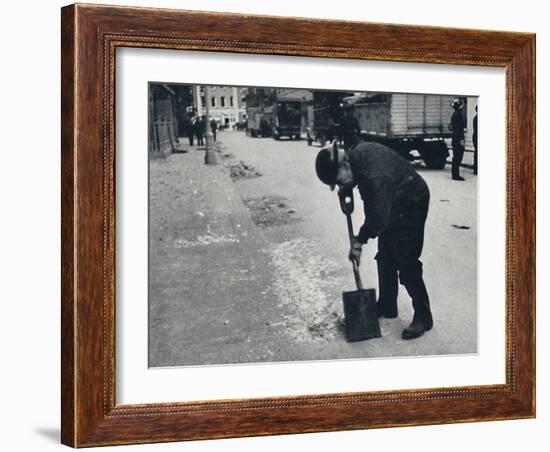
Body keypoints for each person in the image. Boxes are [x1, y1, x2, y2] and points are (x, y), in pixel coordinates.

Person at [315, 140, 433, 339]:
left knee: (406, 260)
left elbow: (377, 219)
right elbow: (375, 206)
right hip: (393, 198)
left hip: (412, 200)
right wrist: (346, 189)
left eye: (339, 181)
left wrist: (359, 241)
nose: (340, 186)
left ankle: (424, 315)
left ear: (344, 165)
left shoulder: (374, 177)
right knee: (385, 256)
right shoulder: (356, 158)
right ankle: (387, 305)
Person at [450, 99, 465, 181]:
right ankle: (456, 175)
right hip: (458, 139)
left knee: (456, 157)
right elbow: (460, 129)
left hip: (455, 138)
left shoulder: (454, 114)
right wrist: (461, 140)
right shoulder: (458, 115)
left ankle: (455, 174)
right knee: (458, 157)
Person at [472, 106, 478, 175]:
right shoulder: (477, 118)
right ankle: (476, 169)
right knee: (477, 155)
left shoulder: (475, 118)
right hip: (477, 138)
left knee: (476, 154)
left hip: (475, 138)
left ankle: (476, 169)